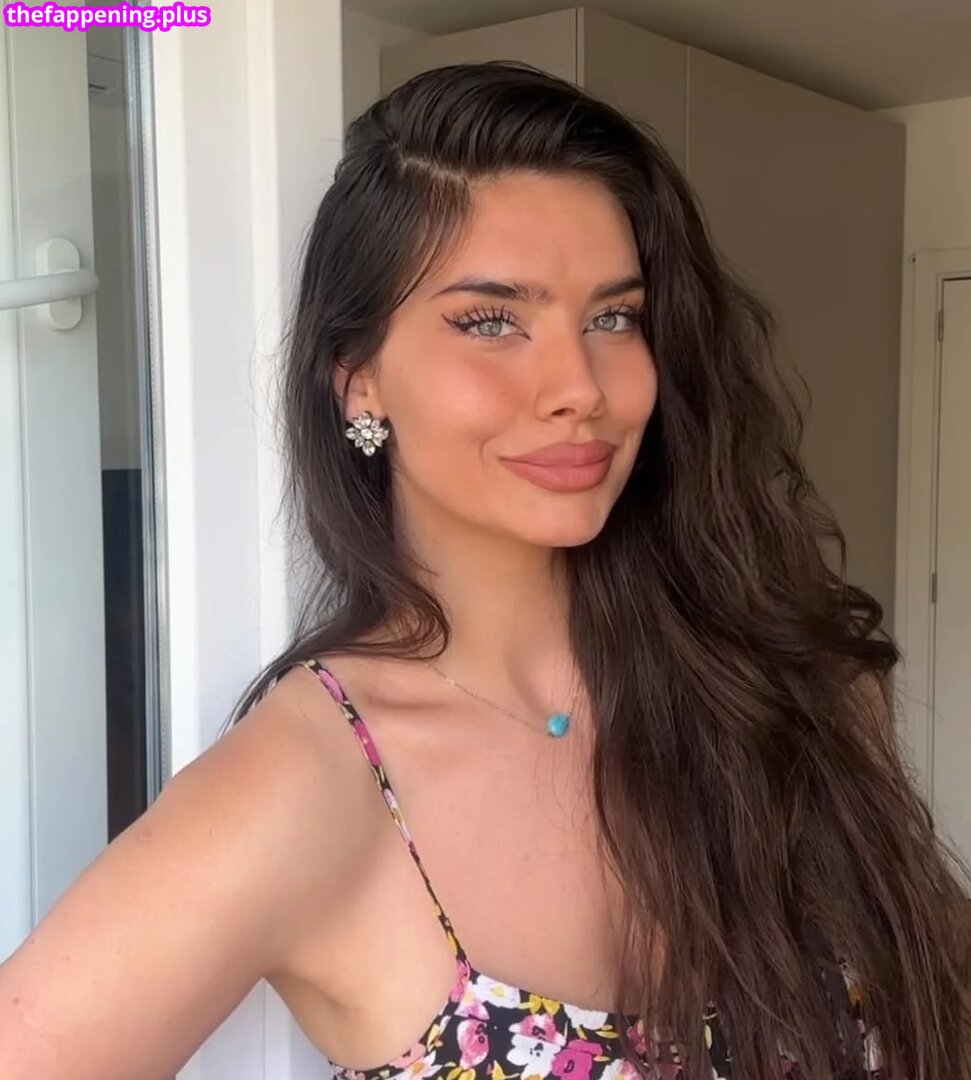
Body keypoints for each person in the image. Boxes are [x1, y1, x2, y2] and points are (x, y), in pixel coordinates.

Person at [1, 60, 968, 1080]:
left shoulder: (794, 687)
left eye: (612, 317)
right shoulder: (314, 785)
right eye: (490, 321)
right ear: (358, 380)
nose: (577, 387)